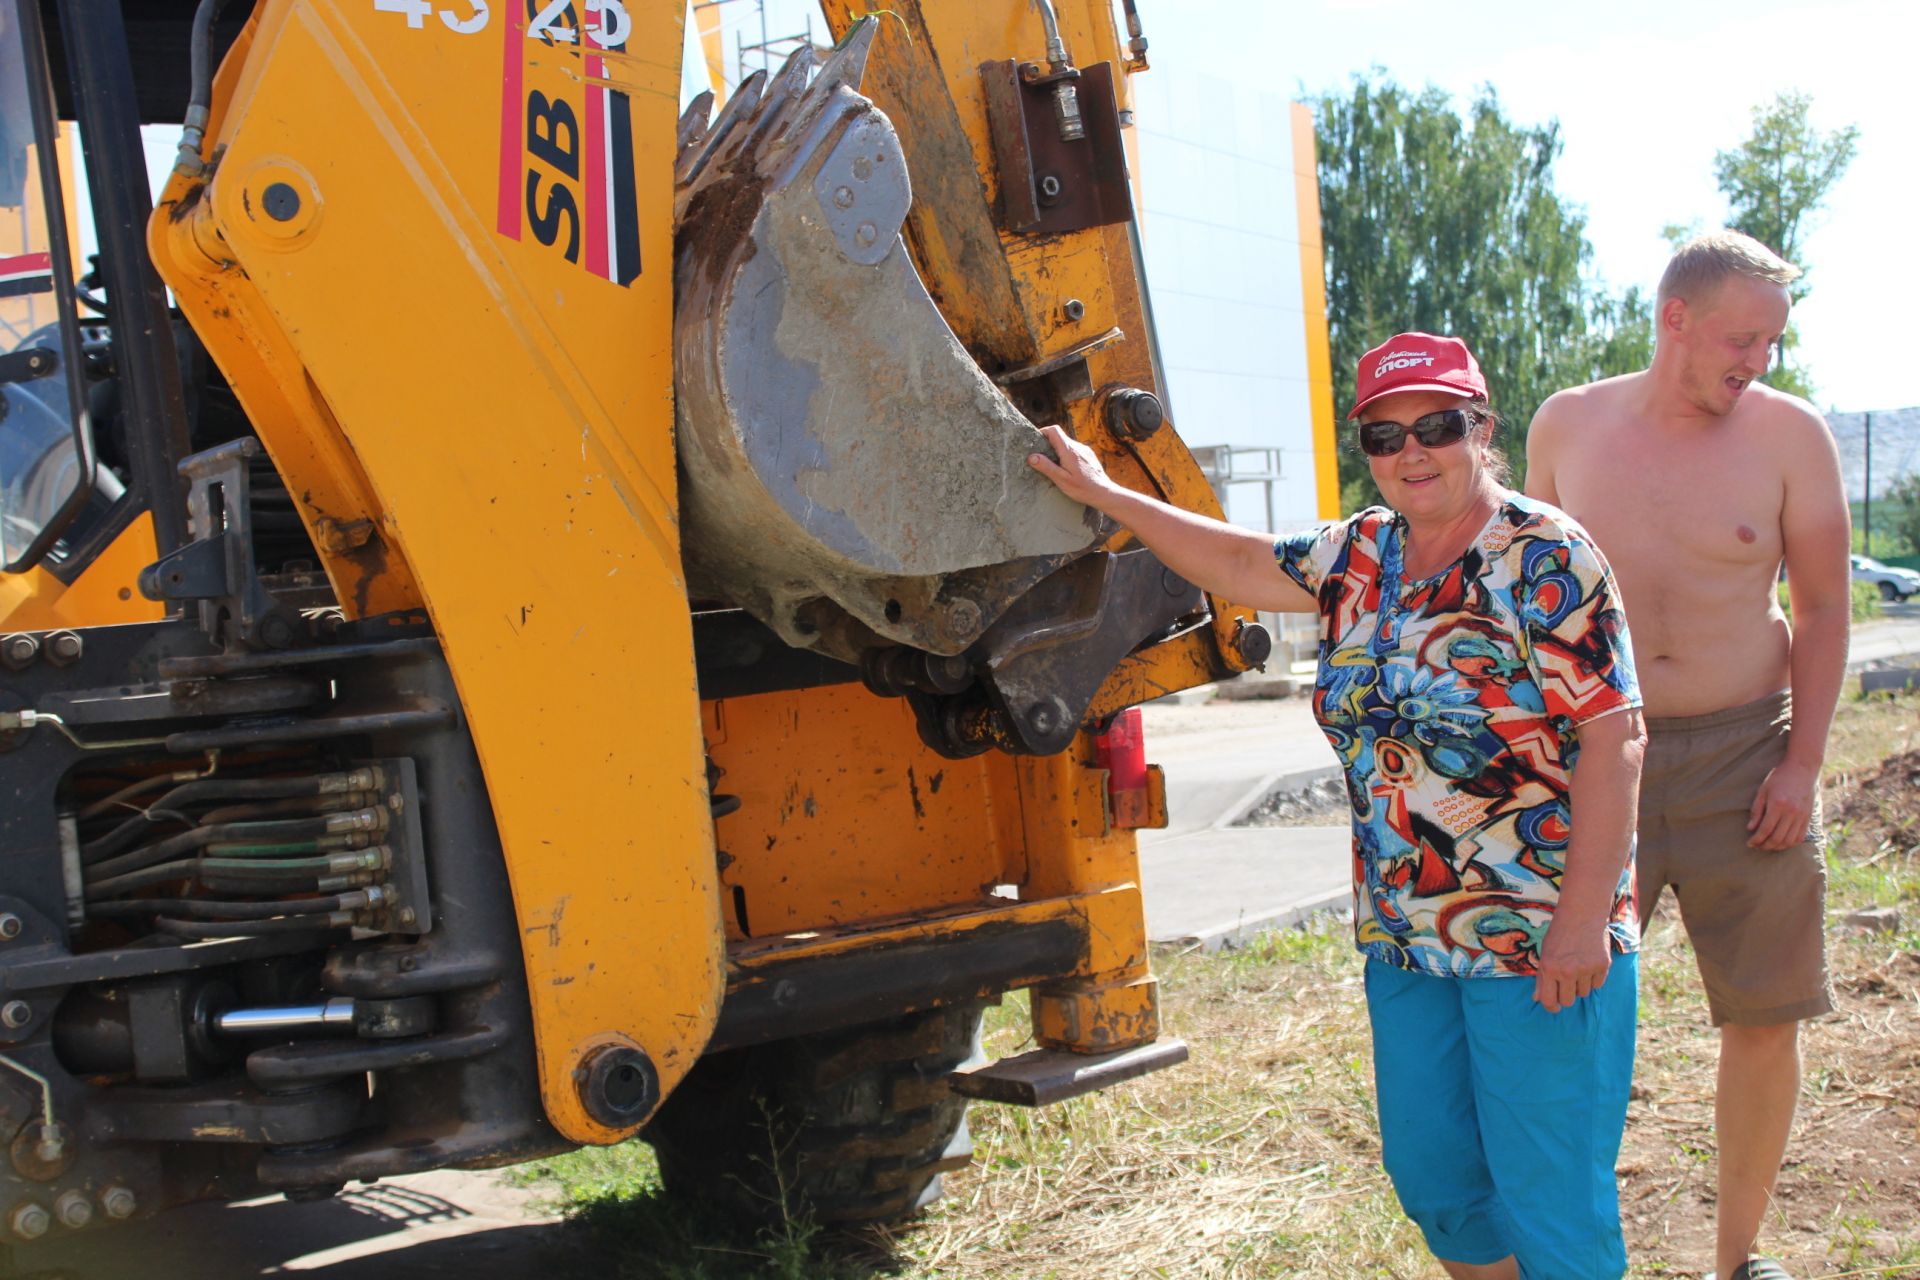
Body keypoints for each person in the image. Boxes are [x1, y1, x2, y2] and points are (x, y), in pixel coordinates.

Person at [1031, 332, 1646, 1280]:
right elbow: (1234, 561)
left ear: (1482, 429)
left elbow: (1615, 738)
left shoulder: (1545, 555)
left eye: (1436, 427)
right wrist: (1106, 497)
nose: (1411, 452)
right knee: (1437, 1183)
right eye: (1384, 434)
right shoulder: (1359, 553)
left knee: (1551, 1202)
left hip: (1538, 936)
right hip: (1405, 933)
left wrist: (1581, 923)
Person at [1525, 231, 1850, 1280]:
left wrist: (1800, 765)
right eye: (1743, 337)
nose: (1759, 358)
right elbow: (1528, 608)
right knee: (1557, 1016)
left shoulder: (1792, 437)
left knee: (1765, 1013)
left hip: (1744, 756)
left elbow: (1825, 607)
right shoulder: (1567, 425)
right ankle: (1568, 1249)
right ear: (1676, 317)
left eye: (1772, 341)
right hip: (1593, 760)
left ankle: (1738, 1259)